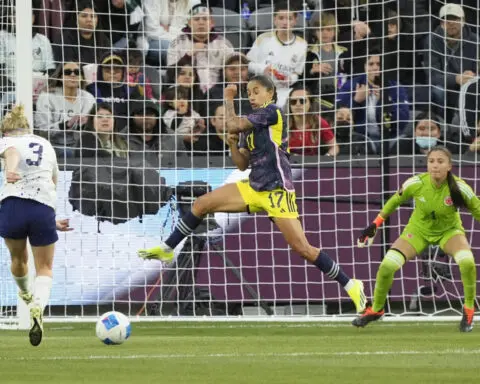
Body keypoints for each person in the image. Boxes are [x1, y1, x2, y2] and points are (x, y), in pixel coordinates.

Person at [137, 75, 366, 313]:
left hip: (276, 190)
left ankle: (351, 285)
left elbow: (233, 123)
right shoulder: (253, 125)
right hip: (253, 186)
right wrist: (233, 144)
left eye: (256, 91)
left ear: (270, 93)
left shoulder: (273, 113)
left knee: (303, 248)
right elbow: (241, 164)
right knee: (202, 203)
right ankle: (167, 248)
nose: (252, 96)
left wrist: (228, 98)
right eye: (248, 93)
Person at [353, 146, 479, 332]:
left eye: (440, 162)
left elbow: (477, 209)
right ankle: (376, 309)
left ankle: (469, 308)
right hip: (417, 231)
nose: (435, 165)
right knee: (387, 266)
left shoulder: (460, 188)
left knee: (467, 262)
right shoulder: (416, 183)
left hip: (449, 232)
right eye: (431, 161)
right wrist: (375, 224)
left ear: (449, 166)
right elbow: (394, 201)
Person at [0, 105, 73, 346]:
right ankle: (38, 307)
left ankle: (26, 295)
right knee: (45, 267)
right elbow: (51, 182)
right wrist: (50, 218)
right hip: (42, 209)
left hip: (12, 207)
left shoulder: (8, 140)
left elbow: (11, 152)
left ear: (6, 130)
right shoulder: (46, 145)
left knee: (18, 260)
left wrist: (10, 170)